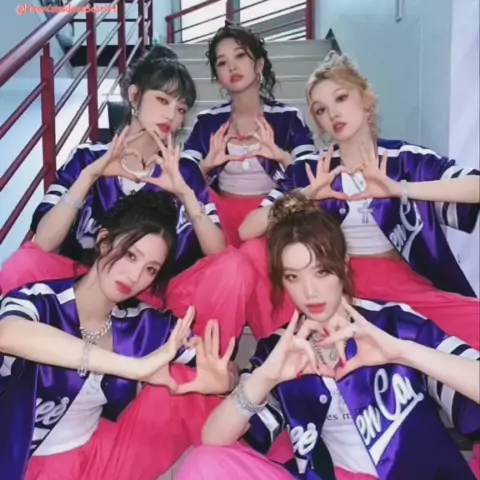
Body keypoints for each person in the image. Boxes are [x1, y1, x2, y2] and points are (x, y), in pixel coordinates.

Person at [177, 192, 480, 480]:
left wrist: (403, 352)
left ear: (343, 264)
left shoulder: (392, 323)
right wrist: (265, 377)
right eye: (293, 277)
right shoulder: (281, 348)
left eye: (321, 271)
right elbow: (213, 439)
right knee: (203, 463)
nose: (310, 291)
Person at [0, 46, 255, 351]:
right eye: (162, 100)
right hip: (87, 281)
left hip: (156, 292)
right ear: (134, 96)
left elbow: (218, 253)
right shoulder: (87, 157)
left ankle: (206, 369)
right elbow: (43, 242)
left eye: (181, 109)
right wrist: (89, 176)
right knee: (23, 264)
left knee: (234, 266)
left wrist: (185, 194)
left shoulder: (183, 169)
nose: (171, 116)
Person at [238, 51, 480, 345]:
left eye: (341, 98)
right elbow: (247, 229)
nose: (333, 114)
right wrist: (307, 195)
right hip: (332, 284)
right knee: (253, 252)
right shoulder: (312, 169)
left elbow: (475, 187)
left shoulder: (404, 159)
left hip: (399, 281)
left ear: (366, 99)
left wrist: (400, 189)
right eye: (320, 110)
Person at [0, 189, 236, 480]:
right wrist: (133, 367)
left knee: (186, 387)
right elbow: (7, 335)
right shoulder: (41, 300)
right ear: (104, 241)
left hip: (98, 455)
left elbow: (224, 366)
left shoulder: (142, 323)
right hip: (19, 460)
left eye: (150, 269)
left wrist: (224, 382)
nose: (135, 276)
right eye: (130, 255)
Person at [181, 22, 316, 247]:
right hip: (220, 218)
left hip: (272, 217)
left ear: (259, 64)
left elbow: (310, 176)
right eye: (222, 62)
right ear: (217, 76)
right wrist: (205, 166)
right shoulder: (207, 121)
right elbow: (182, 177)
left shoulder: (288, 117)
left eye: (240, 56)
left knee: (254, 253)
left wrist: (281, 156)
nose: (232, 67)